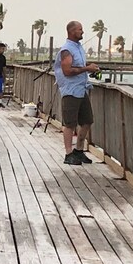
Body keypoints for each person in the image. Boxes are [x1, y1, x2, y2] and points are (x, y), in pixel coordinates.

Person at [53, 21, 100, 165]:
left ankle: (79, 151)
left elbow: (77, 65)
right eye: (80, 29)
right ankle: (68, 154)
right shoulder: (66, 50)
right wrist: (87, 69)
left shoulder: (78, 47)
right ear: (72, 31)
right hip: (70, 91)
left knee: (87, 121)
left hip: (81, 89)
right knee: (70, 124)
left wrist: (89, 67)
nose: (82, 32)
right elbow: (67, 71)